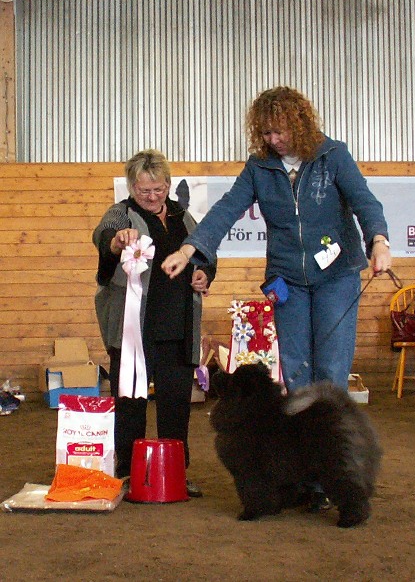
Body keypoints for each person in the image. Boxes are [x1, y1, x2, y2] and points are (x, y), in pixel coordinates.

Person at [161, 86, 391, 510]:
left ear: (300, 124)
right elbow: (226, 210)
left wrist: (379, 240)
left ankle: (335, 471)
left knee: (330, 374)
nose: (273, 140)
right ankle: (305, 477)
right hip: (287, 280)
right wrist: (188, 249)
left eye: (281, 131)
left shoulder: (332, 156)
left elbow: (364, 201)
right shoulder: (259, 168)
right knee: (298, 375)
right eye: (266, 133)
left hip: (337, 276)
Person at [93, 149, 216, 496]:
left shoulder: (183, 216)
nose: (152, 196)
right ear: (132, 186)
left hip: (178, 326)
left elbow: (205, 255)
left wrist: (205, 275)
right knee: (130, 403)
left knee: (176, 404)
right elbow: (104, 235)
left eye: (159, 189)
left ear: (168, 185)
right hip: (133, 330)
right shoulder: (121, 214)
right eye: (144, 190)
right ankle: (128, 474)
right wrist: (118, 242)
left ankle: (174, 471)